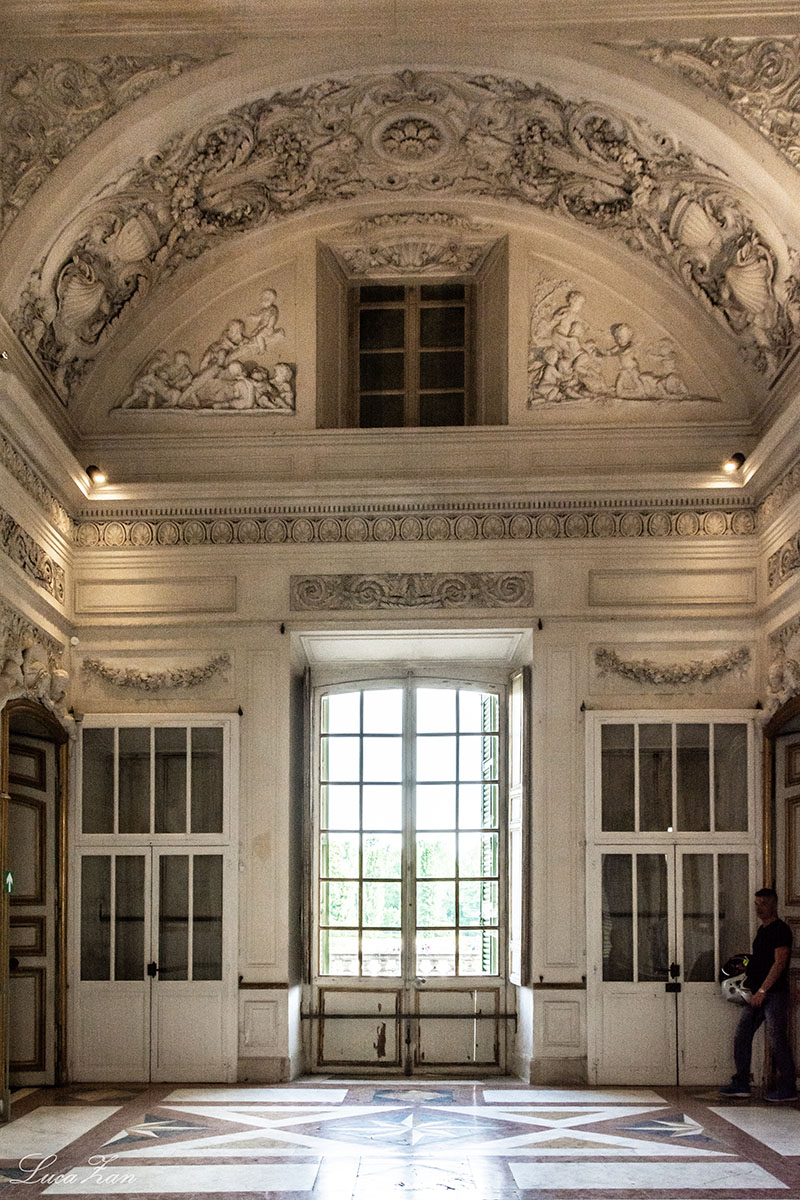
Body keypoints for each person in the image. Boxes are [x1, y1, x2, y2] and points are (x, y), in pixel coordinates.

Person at [719, 888, 798, 1102]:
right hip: (757, 994)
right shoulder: (762, 930)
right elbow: (762, 960)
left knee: (777, 1039)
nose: (759, 908)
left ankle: (788, 1087)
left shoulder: (780, 930)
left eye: (763, 903)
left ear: (774, 904)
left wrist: (763, 990)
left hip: (773, 994)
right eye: (756, 903)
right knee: (742, 1036)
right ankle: (741, 1083)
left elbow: (779, 963)